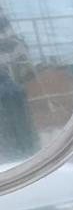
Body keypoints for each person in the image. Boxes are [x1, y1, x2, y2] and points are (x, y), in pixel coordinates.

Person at [0, 10, 38, 158]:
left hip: (12, 97)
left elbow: (26, 71)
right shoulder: (16, 44)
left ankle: (23, 152)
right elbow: (27, 71)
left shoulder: (14, 45)